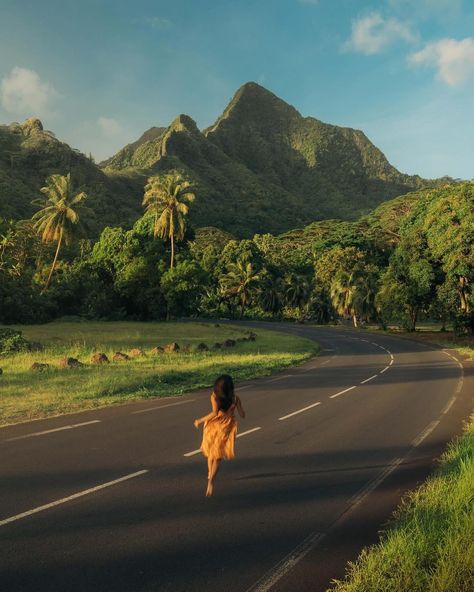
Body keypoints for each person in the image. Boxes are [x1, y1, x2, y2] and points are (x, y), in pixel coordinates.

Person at [194, 374, 245, 496]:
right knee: (218, 456)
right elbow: (242, 414)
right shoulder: (235, 398)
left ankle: (209, 474)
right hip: (225, 428)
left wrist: (199, 420)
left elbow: (214, 413)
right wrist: (240, 412)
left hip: (212, 426)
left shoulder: (214, 397)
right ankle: (211, 480)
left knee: (211, 453)